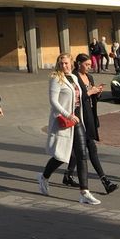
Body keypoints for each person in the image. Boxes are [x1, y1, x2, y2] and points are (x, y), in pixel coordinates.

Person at [38, 53, 101, 206]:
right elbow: (53, 102)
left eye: (66, 63)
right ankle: (44, 177)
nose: (64, 66)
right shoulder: (55, 78)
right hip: (64, 121)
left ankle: (84, 192)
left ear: (71, 64)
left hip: (78, 120)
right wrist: (68, 114)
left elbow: (81, 96)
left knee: (81, 155)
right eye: (61, 63)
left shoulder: (73, 78)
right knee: (61, 155)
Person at [63, 54, 117, 194]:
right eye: (86, 64)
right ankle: (105, 181)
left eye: (89, 64)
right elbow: (76, 98)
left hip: (90, 116)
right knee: (90, 149)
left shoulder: (90, 77)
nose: (89, 67)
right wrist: (89, 92)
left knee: (78, 150)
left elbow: (91, 97)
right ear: (79, 63)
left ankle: (68, 175)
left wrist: (97, 92)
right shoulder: (74, 77)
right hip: (79, 117)